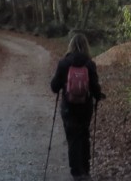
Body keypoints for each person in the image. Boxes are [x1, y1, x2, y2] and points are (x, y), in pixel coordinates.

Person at [50, 32, 105, 179]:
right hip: (85, 107)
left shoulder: (64, 63)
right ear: (86, 46)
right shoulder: (89, 64)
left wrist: (62, 84)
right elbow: (95, 87)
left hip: (68, 107)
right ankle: (85, 170)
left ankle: (76, 172)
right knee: (84, 135)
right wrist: (99, 96)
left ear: (71, 45)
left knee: (72, 138)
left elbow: (54, 87)